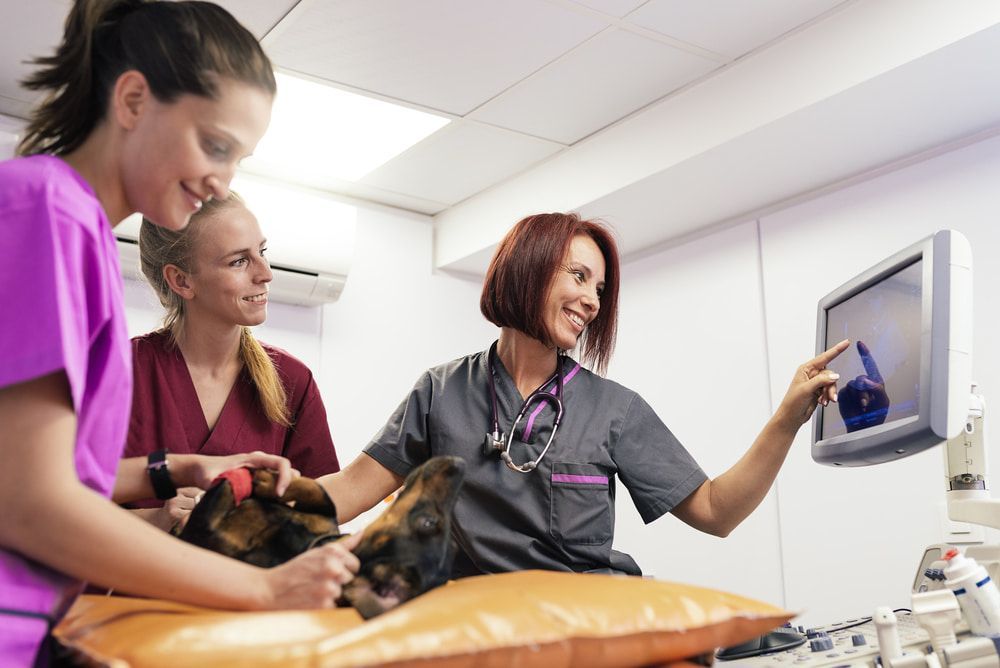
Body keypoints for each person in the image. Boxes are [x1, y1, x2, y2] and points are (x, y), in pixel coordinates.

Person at [0, 2, 359, 664]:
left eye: (238, 157)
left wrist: (181, 469)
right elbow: (27, 500)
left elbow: (61, 478)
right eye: (215, 145)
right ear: (133, 100)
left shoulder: (81, 235)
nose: (223, 180)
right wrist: (262, 589)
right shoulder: (48, 211)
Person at [319, 212, 848, 577]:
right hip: (478, 628)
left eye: (600, 289)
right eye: (579, 276)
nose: (592, 301)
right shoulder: (440, 393)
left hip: (584, 627)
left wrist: (786, 418)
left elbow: (716, 511)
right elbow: (345, 492)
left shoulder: (614, 410)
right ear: (528, 268)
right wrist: (253, 489)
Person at [126, 195, 341, 530]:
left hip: (251, 582)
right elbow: (58, 509)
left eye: (262, 252)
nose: (266, 274)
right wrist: (155, 519)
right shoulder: (122, 372)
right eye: (239, 261)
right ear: (182, 280)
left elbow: (319, 518)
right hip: (132, 581)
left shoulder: (293, 381)